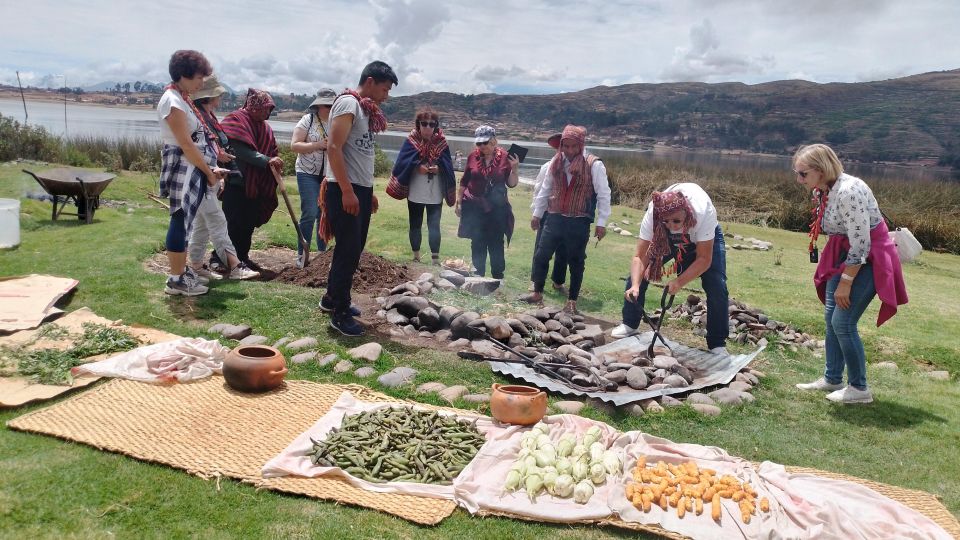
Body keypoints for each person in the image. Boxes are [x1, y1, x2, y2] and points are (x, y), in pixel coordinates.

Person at [793, 144, 907, 404]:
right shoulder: (824, 189)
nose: (798, 179)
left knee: (842, 322)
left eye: (802, 173)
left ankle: (859, 388)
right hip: (843, 253)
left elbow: (862, 244)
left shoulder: (848, 192)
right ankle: (833, 377)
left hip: (867, 258)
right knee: (831, 316)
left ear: (821, 170)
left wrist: (846, 281)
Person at [318, 60, 398, 337]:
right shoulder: (348, 104)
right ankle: (340, 313)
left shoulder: (363, 110)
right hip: (344, 188)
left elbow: (359, 155)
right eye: (385, 89)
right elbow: (334, 148)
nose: (386, 95)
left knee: (351, 249)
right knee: (349, 250)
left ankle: (331, 298)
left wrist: (368, 192)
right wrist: (348, 191)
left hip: (358, 189)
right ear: (371, 81)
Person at [611, 183, 730, 357]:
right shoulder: (654, 216)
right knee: (637, 275)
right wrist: (635, 285)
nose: (672, 225)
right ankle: (630, 323)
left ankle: (717, 343)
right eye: (666, 221)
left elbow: (704, 259)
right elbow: (640, 256)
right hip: (662, 236)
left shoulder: (704, 213)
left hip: (701, 238)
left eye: (676, 221)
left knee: (717, 285)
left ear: (686, 213)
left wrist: (679, 281)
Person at [156, 50, 228, 296]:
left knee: (185, 222)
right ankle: (176, 279)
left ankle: (180, 273)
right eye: (199, 76)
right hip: (183, 167)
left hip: (192, 166)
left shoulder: (182, 98)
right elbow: (186, 144)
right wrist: (208, 172)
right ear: (184, 74)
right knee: (179, 219)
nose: (202, 82)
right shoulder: (172, 101)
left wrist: (210, 167)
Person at [525, 125, 611, 314]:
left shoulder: (594, 165)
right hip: (554, 217)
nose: (570, 151)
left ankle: (572, 301)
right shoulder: (556, 161)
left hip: (578, 221)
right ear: (562, 145)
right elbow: (546, 188)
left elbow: (604, 195)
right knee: (541, 255)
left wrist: (601, 222)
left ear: (581, 145)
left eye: (574, 147)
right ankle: (537, 292)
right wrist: (537, 214)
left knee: (576, 261)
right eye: (566, 146)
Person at [187, 75, 260, 281]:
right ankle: (236, 266)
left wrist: (219, 158)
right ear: (210, 97)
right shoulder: (197, 118)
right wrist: (212, 168)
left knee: (201, 226)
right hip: (200, 176)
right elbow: (195, 148)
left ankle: (196, 266)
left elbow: (210, 146)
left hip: (210, 175)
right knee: (218, 222)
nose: (220, 99)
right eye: (218, 95)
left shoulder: (206, 116)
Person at [220, 89, 283, 270]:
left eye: (269, 109)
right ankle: (221, 259)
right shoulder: (236, 120)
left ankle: (242, 257)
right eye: (264, 108)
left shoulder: (265, 127)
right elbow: (238, 149)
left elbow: (271, 149)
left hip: (255, 186)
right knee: (233, 224)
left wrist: (274, 160)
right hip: (237, 182)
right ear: (254, 106)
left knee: (247, 225)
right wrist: (266, 160)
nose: (267, 113)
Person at [387, 107, 456, 265]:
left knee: (434, 225)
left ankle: (435, 258)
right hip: (416, 191)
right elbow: (402, 162)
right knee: (415, 224)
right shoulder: (411, 141)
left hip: (435, 192)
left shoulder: (442, 143)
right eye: (424, 123)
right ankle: (416, 256)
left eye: (432, 124)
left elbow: (448, 165)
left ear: (436, 126)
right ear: (418, 124)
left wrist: (439, 168)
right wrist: (418, 166)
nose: (428, 127)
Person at [455, 125, 520, 278]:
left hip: (497, 208)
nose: (482, 146)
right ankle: (478, 274)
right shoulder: (472, 156)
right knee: (477, 240)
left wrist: (515, 169)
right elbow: (464, 181)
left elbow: (511, 183)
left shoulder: (505, 156)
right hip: (475, 207)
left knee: (496, 242)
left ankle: (498, 276)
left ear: (493, 140)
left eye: (485, 142)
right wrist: (458, 202)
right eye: (479, 143)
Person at [290, 88, 337, 268]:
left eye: (332, 105)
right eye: (326, 105)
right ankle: (302, 254)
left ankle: (321, 255)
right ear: (318, 106)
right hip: (306, 172)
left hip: (327, 175)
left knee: (324, 213)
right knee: (309, 211)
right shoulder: (307, 120)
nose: (330, 108)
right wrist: (318, 145)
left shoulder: (336, 123)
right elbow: (294, 145)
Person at [528, 132, 568, 293]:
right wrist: (536, 214)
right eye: (562, 147)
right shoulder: (548, 167)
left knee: (564, 250)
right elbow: (539, 191)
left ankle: (558, 282)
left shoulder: (578, 167)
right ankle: (535, 281)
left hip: (567, 215)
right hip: (547, 214)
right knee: (541, 250)